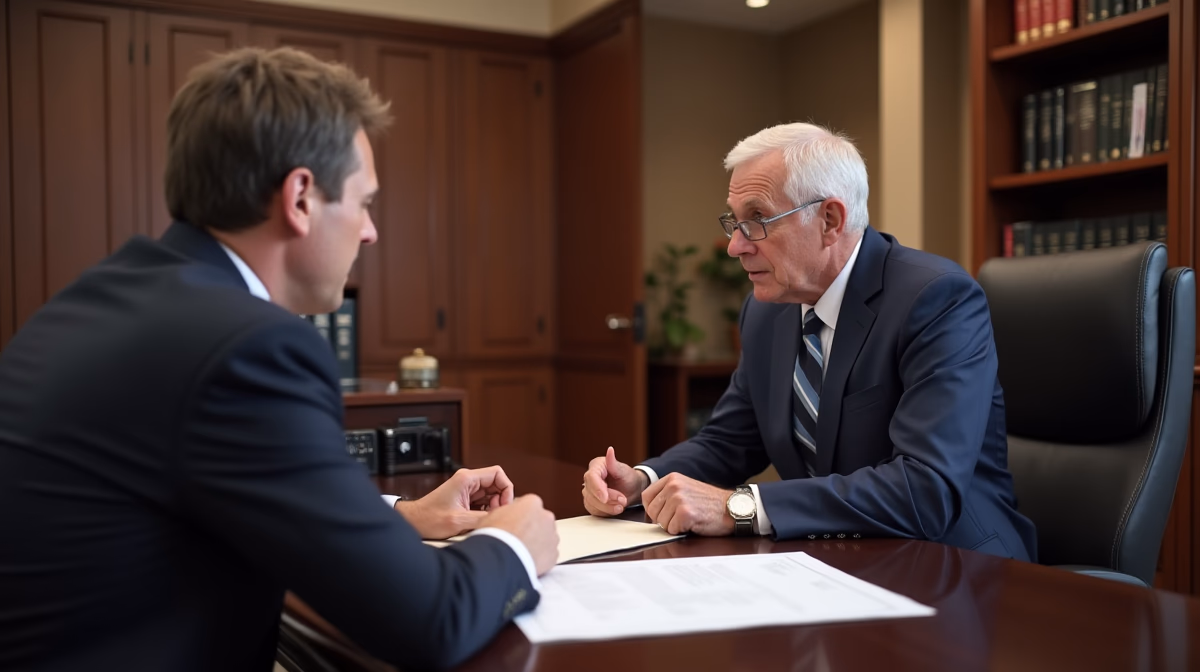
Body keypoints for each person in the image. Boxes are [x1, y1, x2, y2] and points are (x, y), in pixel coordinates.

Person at [0, 47, 558, 672]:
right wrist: (514, 543)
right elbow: (430, 621)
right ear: (300, 198)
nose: (370, 232)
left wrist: (402, 516)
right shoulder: (247, 347)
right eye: (364, 202)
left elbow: (199, 488)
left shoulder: (104, 297)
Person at [582, 122, 1036, 562]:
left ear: (830, 220)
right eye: (733, 223)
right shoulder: (765, 311)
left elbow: (925, 490)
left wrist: (736, 508)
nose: (735, 247)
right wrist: (644, 480)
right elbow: (730, 441)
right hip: (833, 558)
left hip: (957, 564)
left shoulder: (936, 299)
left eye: (757, 220)